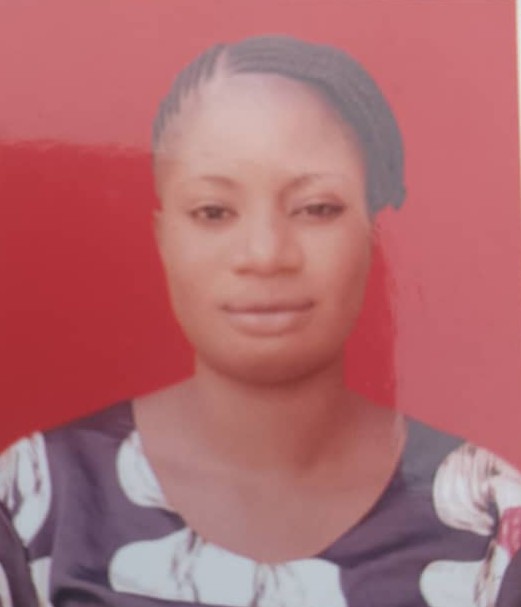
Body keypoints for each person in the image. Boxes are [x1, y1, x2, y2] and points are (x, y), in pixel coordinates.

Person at [0, 34, 520, 607]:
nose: (266, 255)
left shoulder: (489, 517)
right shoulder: (34, 500)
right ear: (163, 238)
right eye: (213, 211)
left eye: (316, 208)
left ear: (375, 230)